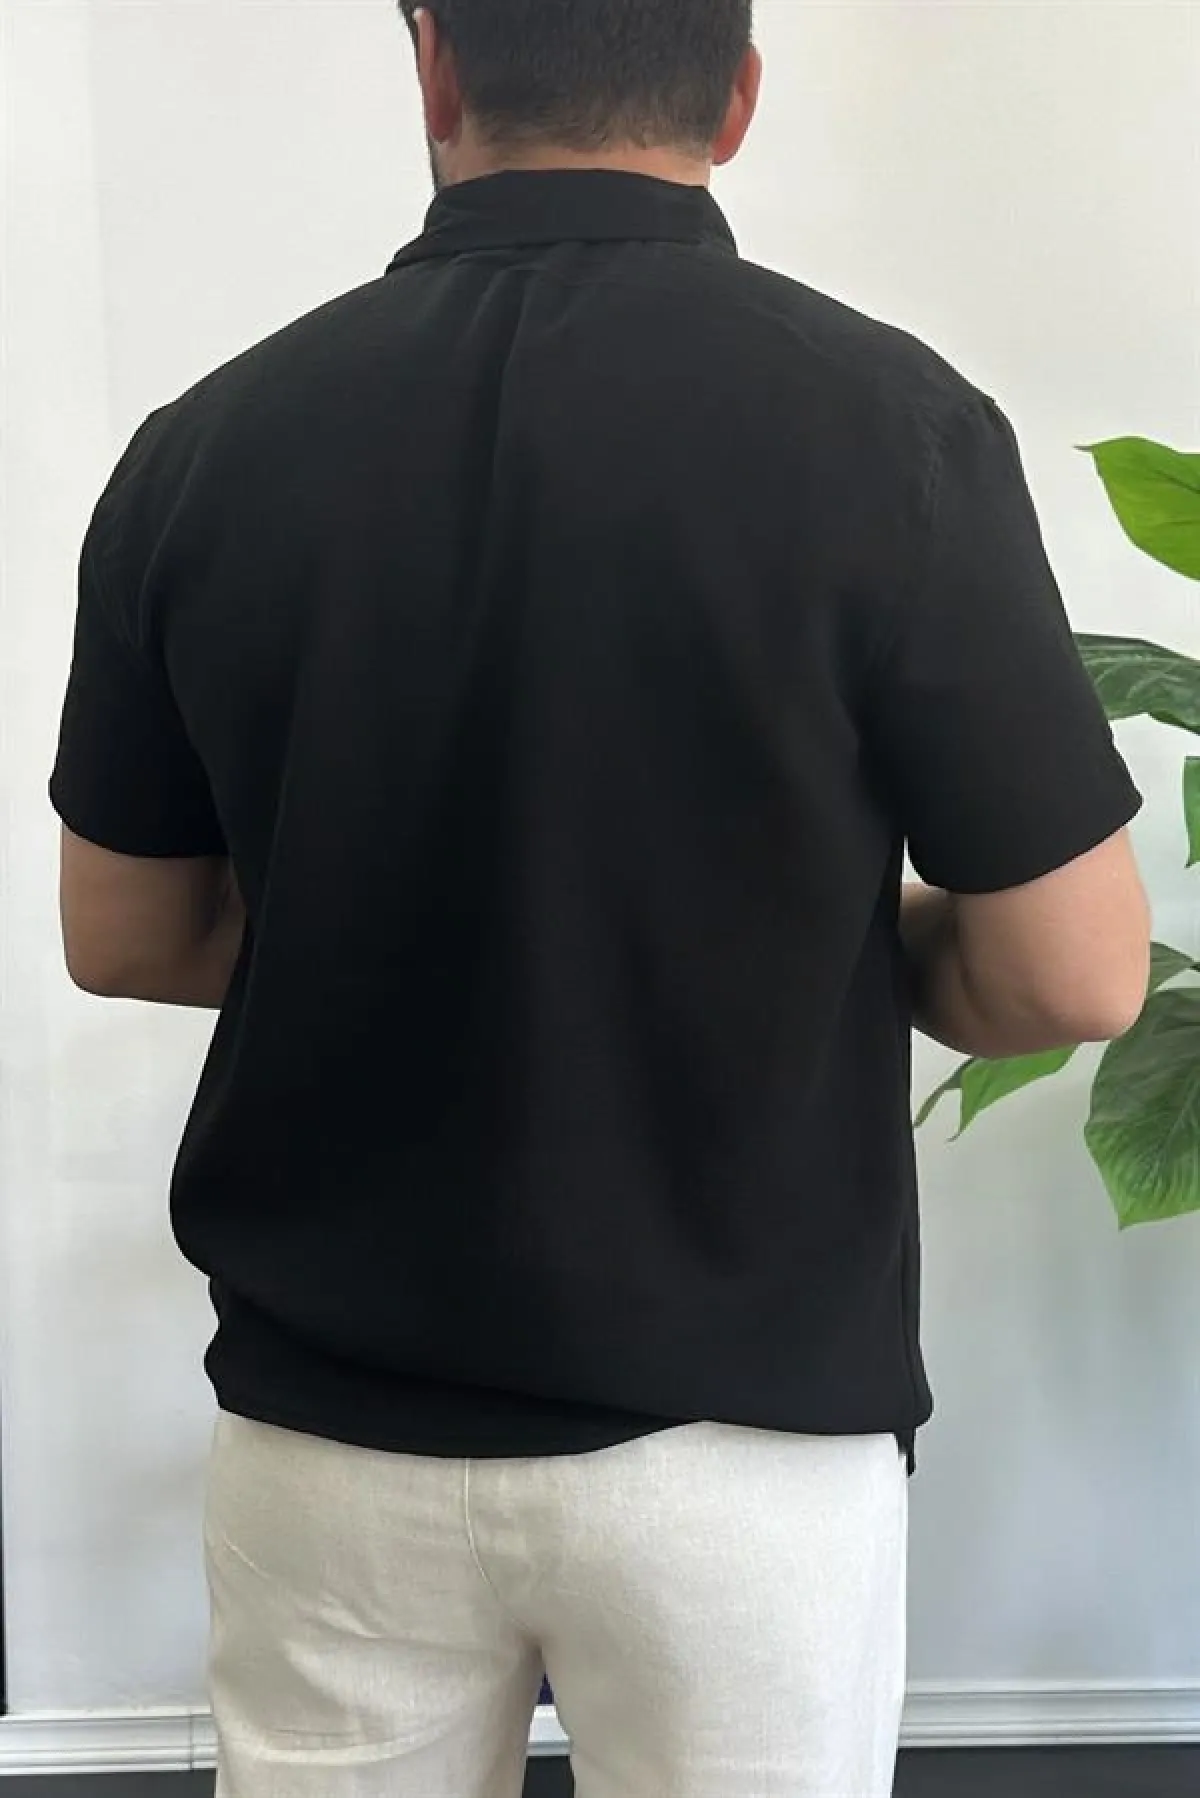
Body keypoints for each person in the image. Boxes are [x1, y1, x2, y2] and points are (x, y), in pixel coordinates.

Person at [51, 3, 1150, 1794]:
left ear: (432, 70)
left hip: (332, 1432)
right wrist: (807, 938)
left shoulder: (206, 445)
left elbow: (127, 932)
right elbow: (1074, 972)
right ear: (738, 97)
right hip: (744, 1437)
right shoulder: (894, 429)